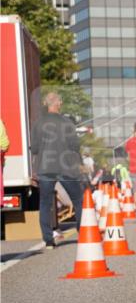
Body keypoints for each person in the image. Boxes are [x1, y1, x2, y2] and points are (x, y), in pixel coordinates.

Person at [30, 91, 85, 249]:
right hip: (65, 166)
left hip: (45, 167)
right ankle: (82, 232)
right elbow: (75, 146)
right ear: (59, 103)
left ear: (46, 104)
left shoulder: (38, 123)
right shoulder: (67, 122)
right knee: (78, 200)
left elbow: (34, 149)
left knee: (45, 203)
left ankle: (48, 240)